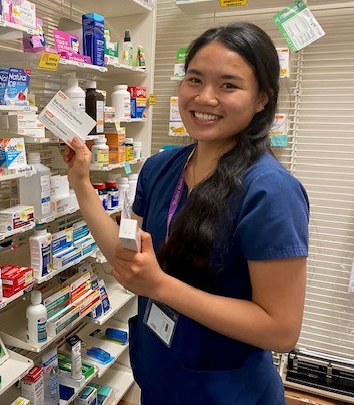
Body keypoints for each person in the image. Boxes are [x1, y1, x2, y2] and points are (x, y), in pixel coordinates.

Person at [64, 22, 309, 404]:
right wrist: (81, 181)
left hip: (226, 391)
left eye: (228, 85)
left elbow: (280, 330)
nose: (205, 97)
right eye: (194, 79)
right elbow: (128, 259)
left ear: (262, 98)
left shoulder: (271, 192)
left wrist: (159, 286)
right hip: (161, 374)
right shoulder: (160, 168)